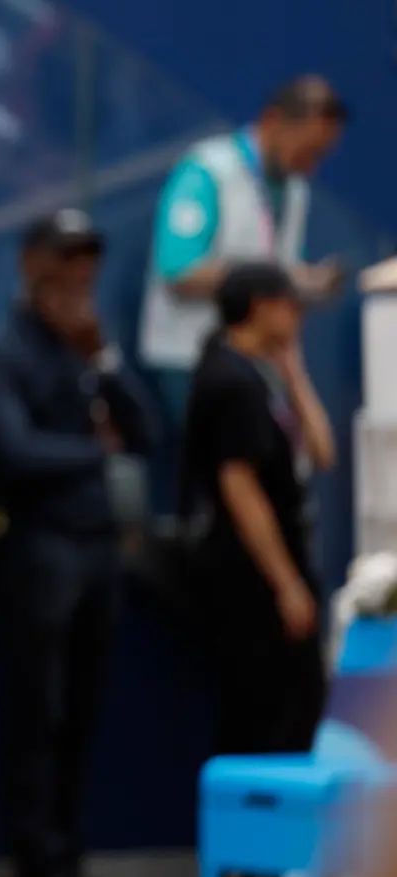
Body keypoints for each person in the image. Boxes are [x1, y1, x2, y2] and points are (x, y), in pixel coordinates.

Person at [0, 208, 156, 877]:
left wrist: (103, 358)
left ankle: (71, 858)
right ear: (32, 265)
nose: (79, 274)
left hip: (99, 550)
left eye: (88, 259)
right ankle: (38, 869)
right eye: (64, 257)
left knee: (83, 712)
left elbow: (143, 432)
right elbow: (14, 452)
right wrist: (92, 453)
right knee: (38, 714)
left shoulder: (86, 348)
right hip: (39, 551)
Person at [181, 263, 336, 755]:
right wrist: (285, 583)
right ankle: (255, 826)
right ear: (259, 307)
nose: (299, 318)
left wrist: (295, 374)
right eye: (291, 306)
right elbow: (240, 487)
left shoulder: (262, 376)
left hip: (282, 560)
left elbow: (323, 453)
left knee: (301, 702)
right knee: (265, 709)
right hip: (249, 575)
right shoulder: (230, 381)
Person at [139, 75, 348, 420]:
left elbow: (278, 268)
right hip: (189, 360)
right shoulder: (207, 171)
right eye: (307, 151)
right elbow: (179, 270)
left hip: (255, 362)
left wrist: (303, 282)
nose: (310, 166)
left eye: (320, 155)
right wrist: (275, 277)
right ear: (274, 121)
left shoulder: (295, 189)